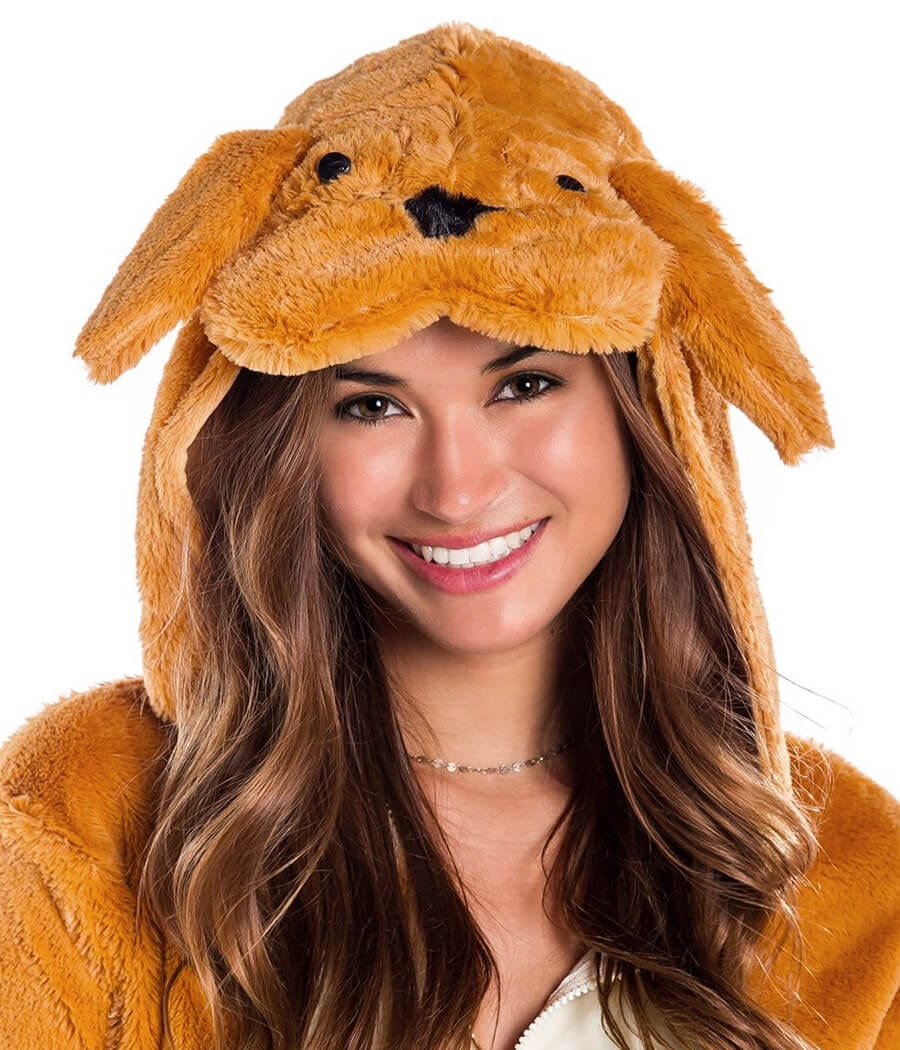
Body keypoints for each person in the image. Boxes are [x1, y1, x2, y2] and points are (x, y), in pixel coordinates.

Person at [1, 21, 898, 1050]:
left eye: (524, 385)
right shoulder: (88, 818)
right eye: (371, 406)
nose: (458, 489)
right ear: (282, 448)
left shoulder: (848, 871)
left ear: (648, 412)